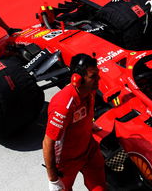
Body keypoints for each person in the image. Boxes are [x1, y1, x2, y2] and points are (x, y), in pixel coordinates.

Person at [43, 53, 106, 191]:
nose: (98, 78)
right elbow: (48, 142)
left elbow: (84, 113)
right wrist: (53, 180)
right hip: (66, 163)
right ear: (77, 80)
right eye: (93, 76)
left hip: (89, 150)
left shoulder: (90, 91)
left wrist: (89, 124)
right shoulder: (63, 105)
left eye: (97, 74)